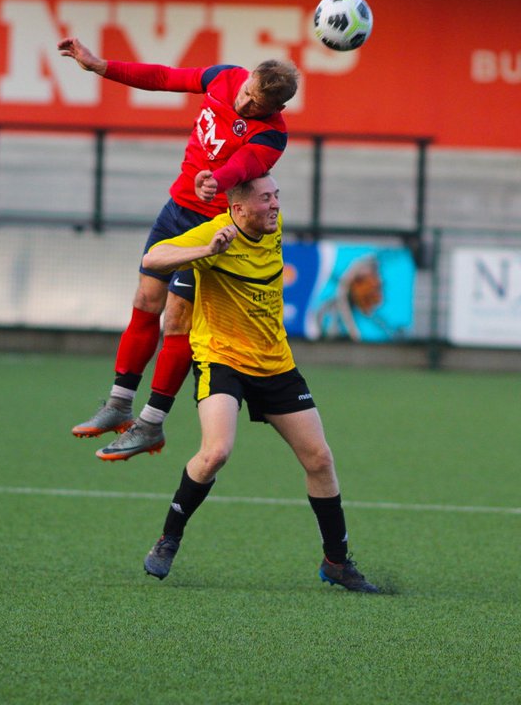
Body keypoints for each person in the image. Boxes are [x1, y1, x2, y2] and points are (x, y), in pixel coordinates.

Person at [57, 36, 300, 462]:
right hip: (175, 210)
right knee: (144, 302)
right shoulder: (225, 77)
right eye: (246, 93)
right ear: (246, 78)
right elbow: (164, 77)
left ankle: (151, 423)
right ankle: (118, 404)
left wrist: (216, 181)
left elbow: (242, 167)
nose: (244, 104)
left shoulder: (273, 135)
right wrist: (100, 66)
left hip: (211, 231)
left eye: (255, 105)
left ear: (275, 108)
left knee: (177, 321)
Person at [137, 173, 379, 593]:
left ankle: (337, 562)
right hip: (222, 359)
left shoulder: (272, 224)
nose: (275, 205)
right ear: (238, 209)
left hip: (274, 362)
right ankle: (168, 539)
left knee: (320, 459)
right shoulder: (216, 234)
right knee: (216, 453)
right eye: (266, 198)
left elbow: (256, 155)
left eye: (276, 196)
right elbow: (153, 258)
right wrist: (204, 252)